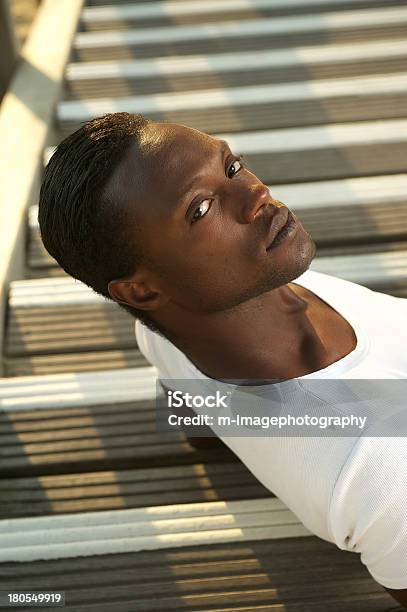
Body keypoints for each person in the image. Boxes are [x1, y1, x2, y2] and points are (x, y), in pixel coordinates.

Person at [38, 112, 407, 608]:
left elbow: (197, 427)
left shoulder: (168, 335)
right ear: (141, 289)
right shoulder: (381, 473)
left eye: (230, 167)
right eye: (201, 208)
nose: (256, 194)